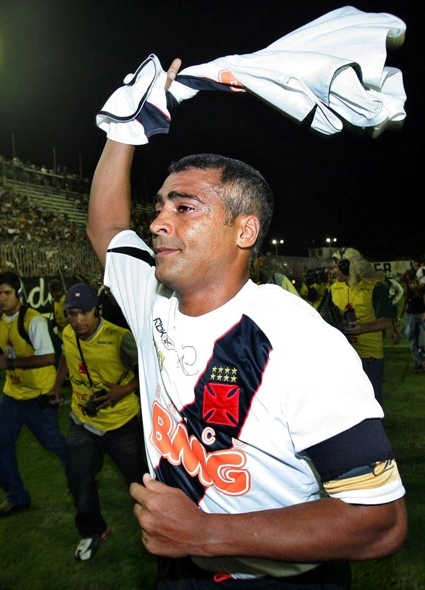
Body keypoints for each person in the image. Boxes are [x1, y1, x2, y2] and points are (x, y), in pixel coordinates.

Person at [86, 58, 406, 589]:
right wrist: (124, 131)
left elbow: (378, 522)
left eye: (185, 207)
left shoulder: (302, 344)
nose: (159, 220)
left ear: (245, 230)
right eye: (161, 204)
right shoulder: (153, 300)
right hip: (181, 564)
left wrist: (205, 533)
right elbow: (108, 228)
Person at [48, 283, 146, 561]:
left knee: (140, 481)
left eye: (84, 313)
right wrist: (57, 385)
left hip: (122, 424)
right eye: (72, 313)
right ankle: (93, 531)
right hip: (83, 422)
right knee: (78, 480)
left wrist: (123, 390)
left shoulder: (119, 338)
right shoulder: (68, 333)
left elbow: (150, 371)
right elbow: (67, 357)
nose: (78, 320)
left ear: (97, 310)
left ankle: (161, 530)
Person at [0, 271, 66, 518]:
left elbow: (48, 357)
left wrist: (7, 364)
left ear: (17, 293)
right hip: (12, 394)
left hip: (39, 394)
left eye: (6, 293)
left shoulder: (34, 320)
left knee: (55, 445)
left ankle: (82, 476)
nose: (1, 297)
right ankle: (16, 497)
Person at [330, 248, 395, 406]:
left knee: (371, 400)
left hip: (369, 356)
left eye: (337, 266)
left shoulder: (376, 288)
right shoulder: (333, 289)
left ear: (349, 267)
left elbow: (387, 321)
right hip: (343, 354)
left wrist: (362, 328)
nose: (333, 271)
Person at [399, 272, 425, 374]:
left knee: (422, 342)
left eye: (414, 283)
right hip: (410, 318)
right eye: (410, 283)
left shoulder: (422, 290)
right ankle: (417, 365)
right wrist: (400, 319)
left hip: (420, 316)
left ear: (417, 282)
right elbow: (405, 306)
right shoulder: (407, 292)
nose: (412, 285)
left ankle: (422, 361)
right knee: (412, 342)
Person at [48, 278, 69, 366]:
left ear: (52, 290)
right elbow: (55, 318)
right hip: (61, 336)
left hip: (69, 334)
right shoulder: (54, 302)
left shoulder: (65, 300)